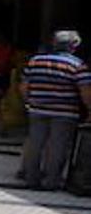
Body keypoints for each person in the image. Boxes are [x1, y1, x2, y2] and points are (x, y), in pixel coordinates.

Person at [18, 30, 91, 191]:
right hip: (64, 112)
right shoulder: (78, 65)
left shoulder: (35, 61)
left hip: (37, 109)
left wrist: (29, 102)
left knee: (35, 144)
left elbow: (23, 86)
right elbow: (85, 91)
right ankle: (51, 181)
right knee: (58, 146)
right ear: (73, 46)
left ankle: (31, 179)